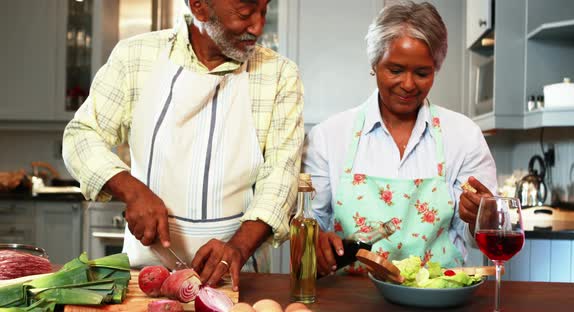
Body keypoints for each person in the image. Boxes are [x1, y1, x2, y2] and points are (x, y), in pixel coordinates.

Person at [62, 0, 303, 291]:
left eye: (264, 11)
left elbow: (280, 176)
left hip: (237, 278)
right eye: (245, 13)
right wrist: (131, 189)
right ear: (200, 7)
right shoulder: (135, 56)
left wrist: (238, 247)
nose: (258, 26)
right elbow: (81, 134)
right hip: (145, 277)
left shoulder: (279, 75)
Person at [303, 1, 497, 276]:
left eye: (422, 73)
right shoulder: (329, 136)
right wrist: (316, 242)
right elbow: (311, 222)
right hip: (352, 297)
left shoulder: (464, 136)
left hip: (436, 297)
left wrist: (481, 219)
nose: (407, 84)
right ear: (374, 64)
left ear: (436, 68)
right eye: (395, 70)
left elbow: (474, 238)